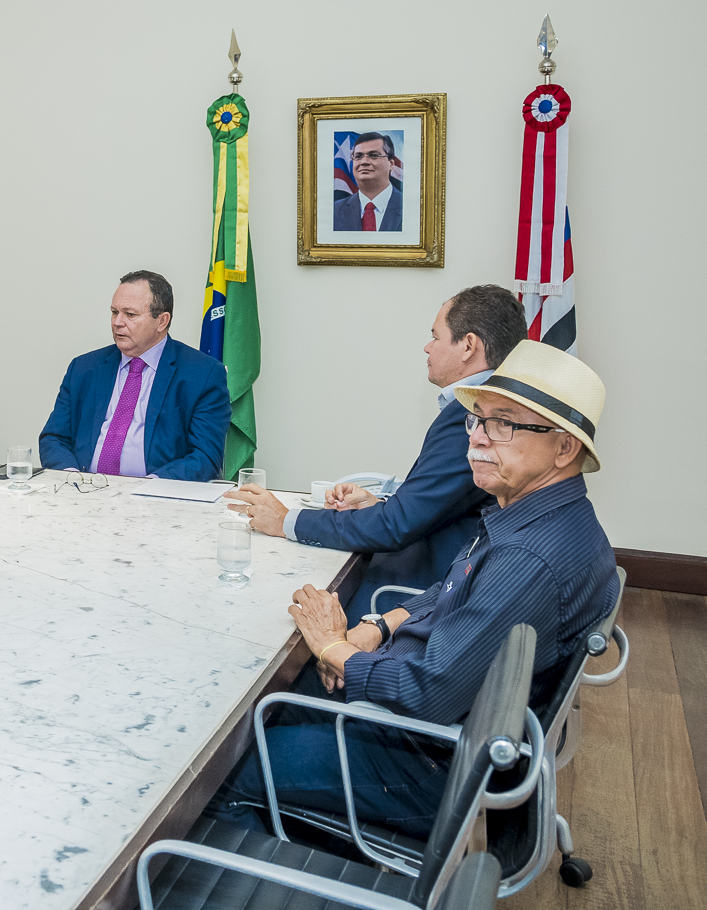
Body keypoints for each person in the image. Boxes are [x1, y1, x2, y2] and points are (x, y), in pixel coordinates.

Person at [207, 341, 617, 838]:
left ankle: (283, 869)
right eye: (477, 420)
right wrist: (379, 627)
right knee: (264, 703)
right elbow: (451, 588)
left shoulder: (529, 557)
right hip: (429, 721)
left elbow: (427, 693)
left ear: (564, 447)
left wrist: (335, 648)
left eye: (504, 424)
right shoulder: (537, 515)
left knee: (217, 773)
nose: (478, 439)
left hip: (423, 762)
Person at [228, 285, 527, 618]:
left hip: (423, 591)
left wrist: (286, 520)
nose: (427, 347)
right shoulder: (499, 404)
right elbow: (438, 505)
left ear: (468, 345)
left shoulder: (476, 413)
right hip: (437, 567)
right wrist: (379, 504)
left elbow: (397, 527)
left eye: (436, 337)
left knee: (279, 607)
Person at [39, 270, 231, 481]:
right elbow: (54, 438)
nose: (117, 322)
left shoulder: (202, 375)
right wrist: (72, 478)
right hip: (83, 492)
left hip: (155, 500)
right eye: (114, 312)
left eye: (130, 315)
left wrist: (150, 487)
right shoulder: (84, 368)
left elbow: (206, 457)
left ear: (162, 321)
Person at [333, 133, 403, 232]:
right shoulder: (334, 211)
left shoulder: (411, 208)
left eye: (374, 155)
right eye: (358, 156)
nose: (364, 161)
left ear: (391, 164)